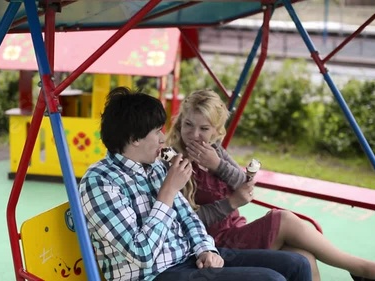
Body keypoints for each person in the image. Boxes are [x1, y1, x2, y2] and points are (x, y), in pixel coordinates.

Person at [165, 88, 375, 281]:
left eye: (203, 128)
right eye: (188, 125)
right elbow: (188, 220)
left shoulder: (214, 151)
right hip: (213, 244)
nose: (194, 134)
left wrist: (217, 164)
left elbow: (243, 185)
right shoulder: (175, 162)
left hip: (237, 229)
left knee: (305, 257)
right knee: (285, 219)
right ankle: (361, 269)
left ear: (216, 131)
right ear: (179, 123)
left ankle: (362, 272)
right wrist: (231, 203)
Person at [78, 86, 313, 281]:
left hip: (189, 259)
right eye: (156, 132)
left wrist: (206, 249)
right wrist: (168, 191)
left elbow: (189, 218)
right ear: (134, 139)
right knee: (271, 280)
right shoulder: (101, 181)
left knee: (297, 264)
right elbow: (141, 254)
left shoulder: (155, 166)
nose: (163, 138)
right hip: (153, 275)